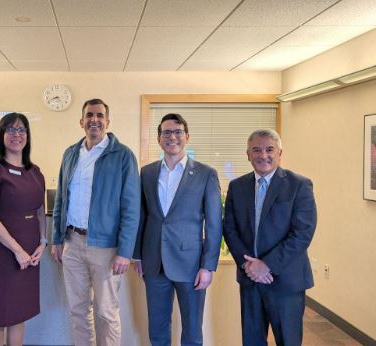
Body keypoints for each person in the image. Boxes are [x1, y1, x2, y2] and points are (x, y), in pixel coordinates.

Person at [51, 98, 140, 346]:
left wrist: (125, 252)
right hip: (72, 242)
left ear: (107, 122)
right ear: (81, 121)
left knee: (106, 312)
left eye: (100, 115)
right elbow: (61, 199)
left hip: (106, 247)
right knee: (78, 311)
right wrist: (57, 239)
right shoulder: (71, 154)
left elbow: (131, 208)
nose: (95, 120)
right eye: (90, 115)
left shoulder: (122, 156)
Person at [133, 113, 222, 346]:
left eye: (178, 132)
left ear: (187, 136)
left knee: (192, 331)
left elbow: (214, 223)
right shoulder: (148, 173)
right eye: (167, 133)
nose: (172, 137)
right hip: (154, 262)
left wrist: (207, 266)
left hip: (191, 264)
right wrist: (137, 255)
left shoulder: (205, 174)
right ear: (159, 139)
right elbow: (142, 217)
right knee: (158, 328)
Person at [223, 129, 317, 346]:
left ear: (280, 153)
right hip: (250, 280)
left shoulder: (299, 185)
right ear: (247, 154)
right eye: (256, 149)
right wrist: (249, 266)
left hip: (286, 281)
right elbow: (230, 228)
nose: (262, 155)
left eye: (269, 149)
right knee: (252, 340)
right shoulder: (237, 187)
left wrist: (267, 265)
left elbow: (302, 233)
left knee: (288, 340)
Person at [0, 112, 46, 346]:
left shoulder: (35, 172)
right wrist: (17, 250)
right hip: (0, 253)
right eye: (11, 130)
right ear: (1, 135)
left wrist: (43, 242)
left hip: (29, 254)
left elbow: (39, 210)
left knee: (18, 314)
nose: (17, 134)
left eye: (22, 130)